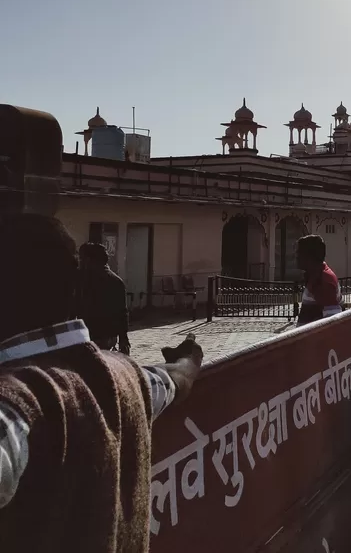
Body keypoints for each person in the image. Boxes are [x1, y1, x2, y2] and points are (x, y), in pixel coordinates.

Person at [0, 213, 203, 550]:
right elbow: (175, 379)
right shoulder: (129, 378)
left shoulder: (18, 404)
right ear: (76, 286)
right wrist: (190, 355)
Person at [77, 242, 131, 354]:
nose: (80, 262)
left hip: (98, 336)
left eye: (81, 259)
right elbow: (122, 312)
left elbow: (121, 312)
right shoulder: (115, 281)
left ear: (89, 260)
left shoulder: (87, 280)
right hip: (102, 335)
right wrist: (123, 338)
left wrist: (123, 338)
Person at [296, 234, 342, 326]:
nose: (296, 257)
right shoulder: (316, 276)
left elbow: (332, 323)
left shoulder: (323, 281)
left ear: (309, 256)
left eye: (299, 253)